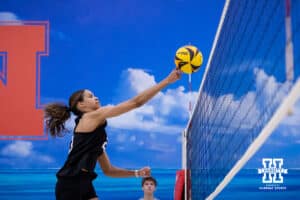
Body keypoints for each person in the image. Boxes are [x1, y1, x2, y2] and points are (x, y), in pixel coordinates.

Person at [44, 68, 181, 200]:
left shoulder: (94, 138)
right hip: (71, 183)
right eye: (90, 96)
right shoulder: (91, 116)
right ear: (81, 105)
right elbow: (135, 102)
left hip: (83, 182)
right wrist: (167, 81)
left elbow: (109, 170)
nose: (96, 97)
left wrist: (136, 173)